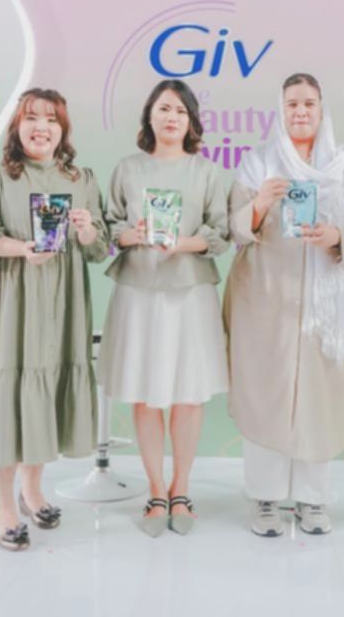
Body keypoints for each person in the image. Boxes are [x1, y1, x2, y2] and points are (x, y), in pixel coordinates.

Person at [224, 72, 344, 538]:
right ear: (281, 109)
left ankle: (313, 499)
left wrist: (338, 236)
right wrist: (259, 203)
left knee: (320, 396)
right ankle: (266, 498)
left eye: (309, 103)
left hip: (327, 305)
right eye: (292, 103)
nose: (300, 111)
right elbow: (232, 229)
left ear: (321, 108)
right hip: (265, 298)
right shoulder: (257, 164)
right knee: (266, 392)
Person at [0, 88, 109, 551]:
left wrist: (87, 229)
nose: (41, 127)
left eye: (51, 119)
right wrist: (22, 249)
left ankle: (32, 490)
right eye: (31, 118)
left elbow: (100, 249)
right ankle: (3, 504)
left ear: (63, 129)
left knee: (44, 390)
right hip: (10, 299)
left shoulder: (80, 178)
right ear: (16, 126)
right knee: (8, 394)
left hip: (62, 303)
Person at [99, 79, 230, 537]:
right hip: (138, 292)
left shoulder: (207, 171)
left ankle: (181, 489)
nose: (171, 117)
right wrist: (129, 235)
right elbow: (109, 226)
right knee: (144, 392)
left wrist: (182, 244)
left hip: (189, 292)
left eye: (180, 110)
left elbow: (220, 233)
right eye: (163, 109)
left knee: (188, 395)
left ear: (191, 120)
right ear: (149, 117)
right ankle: (156, 490)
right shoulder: (127, 169)